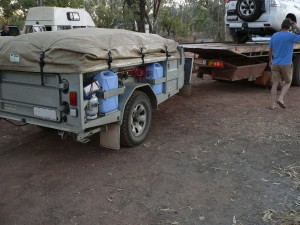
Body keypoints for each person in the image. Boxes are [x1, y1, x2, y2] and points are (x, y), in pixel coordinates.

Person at [269, 18, 300, 109]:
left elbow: (270, 50)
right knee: (288, 82)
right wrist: (296, 27)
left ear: (281, 26)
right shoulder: (291, 36)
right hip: (286, 63)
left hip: (275, 63)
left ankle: (272, 105)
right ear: (290, 27)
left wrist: (270, 60)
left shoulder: (274, 35)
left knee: (275, 84)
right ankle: (281, 98)